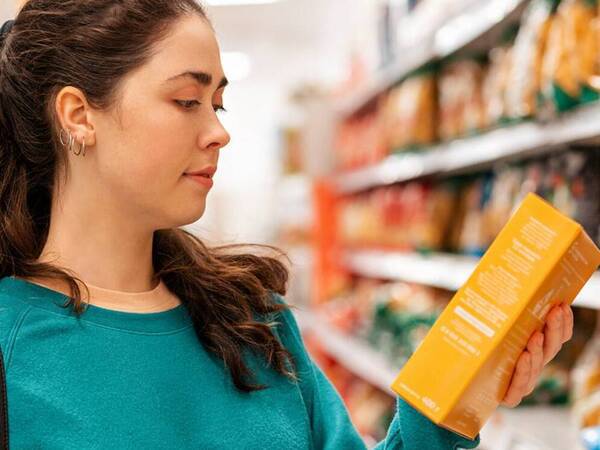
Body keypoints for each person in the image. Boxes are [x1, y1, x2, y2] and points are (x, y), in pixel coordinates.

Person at [0, 1, 575, 449]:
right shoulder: (13, 339)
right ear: (79, 116)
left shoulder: (250, 320)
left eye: (217, 105)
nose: (218, 132)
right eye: (186, 101)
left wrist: (454, 404)